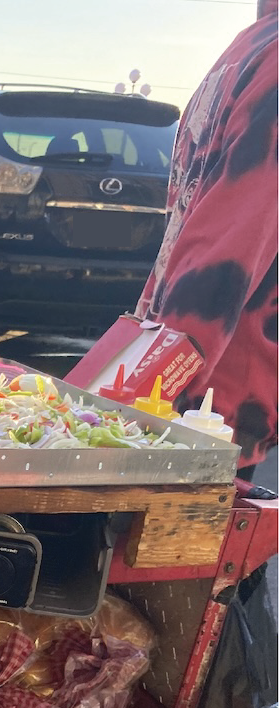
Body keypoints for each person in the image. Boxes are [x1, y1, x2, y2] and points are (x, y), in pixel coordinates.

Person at [134, 0, 278, 480]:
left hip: (190, 369)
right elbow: (229, 245)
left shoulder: (248, 46)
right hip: (218, 395)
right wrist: (159, 394)